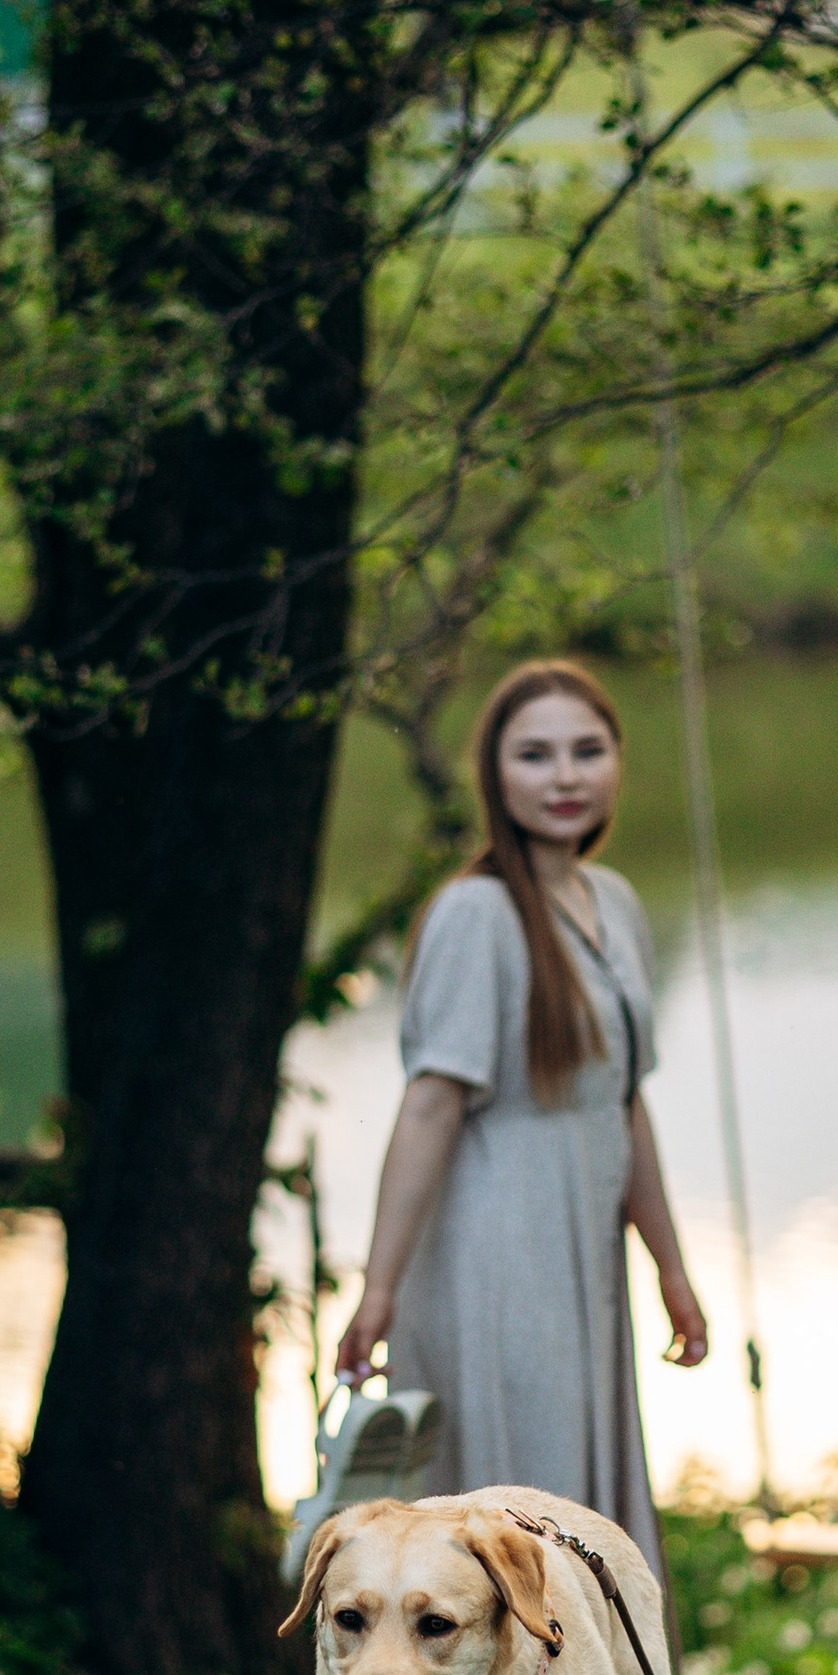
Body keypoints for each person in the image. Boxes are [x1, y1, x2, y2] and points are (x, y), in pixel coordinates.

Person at [334, 659, 709, 1572]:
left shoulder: (613, 902)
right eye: (535, 755)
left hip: (586, 1255)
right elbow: (431, 1108)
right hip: (498, 1255)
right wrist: (379, 1289)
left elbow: (623, 1104)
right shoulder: (477, 913)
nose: (565, 775)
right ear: (495, 776)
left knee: (586, 1519)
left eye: (587, 750)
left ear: (616, 761)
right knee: (522, 1520)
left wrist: (670, 1269)